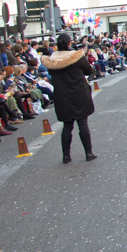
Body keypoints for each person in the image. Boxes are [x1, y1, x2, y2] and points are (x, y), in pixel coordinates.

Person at [41, 34, 97, 164]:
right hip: (78, 92)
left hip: (62, 95)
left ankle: (66, 155)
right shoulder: (75, 57)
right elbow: (88, 70)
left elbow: (51, 74)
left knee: (67, 125)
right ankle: (88, 152)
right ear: (68, 43)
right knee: (82, 123)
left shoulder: (52, 60)